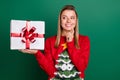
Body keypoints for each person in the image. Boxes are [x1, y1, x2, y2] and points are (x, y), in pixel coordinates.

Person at [20, 5, 90, 80]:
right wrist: (37, 53)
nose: (68, 21)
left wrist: (70, 42)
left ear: (76, 21)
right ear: (60, 21)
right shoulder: (50, 41)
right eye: (64, 17)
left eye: (72, 18)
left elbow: (81, 67)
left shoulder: (84, 40)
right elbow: (51, 72)